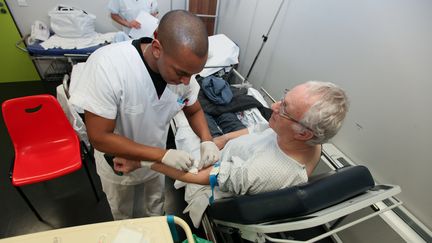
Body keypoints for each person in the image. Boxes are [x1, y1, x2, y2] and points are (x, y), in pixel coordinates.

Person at [69, 10, 220, 220]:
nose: (187, 81)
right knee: (123, 216)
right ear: (157, 49)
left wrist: (207, 140)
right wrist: (162, 155)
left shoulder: (183, 78)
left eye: (192, 74)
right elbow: (100, 137)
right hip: (119, 165)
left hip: (156, 165)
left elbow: (193, 109)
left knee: (155, 210)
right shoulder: (109, 66)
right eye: (181, 73)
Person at [115, 81, 349, 195]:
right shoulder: (300, 139)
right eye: (283, 98)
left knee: (201, 112)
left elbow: (199, 176)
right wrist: (217, 141)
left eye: (284, 109)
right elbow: (257, 130)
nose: (274, 106)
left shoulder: (265, 171)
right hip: (232, 146)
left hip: (223, 164)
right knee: (220, 111)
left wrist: (143, 162)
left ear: (303, 133)